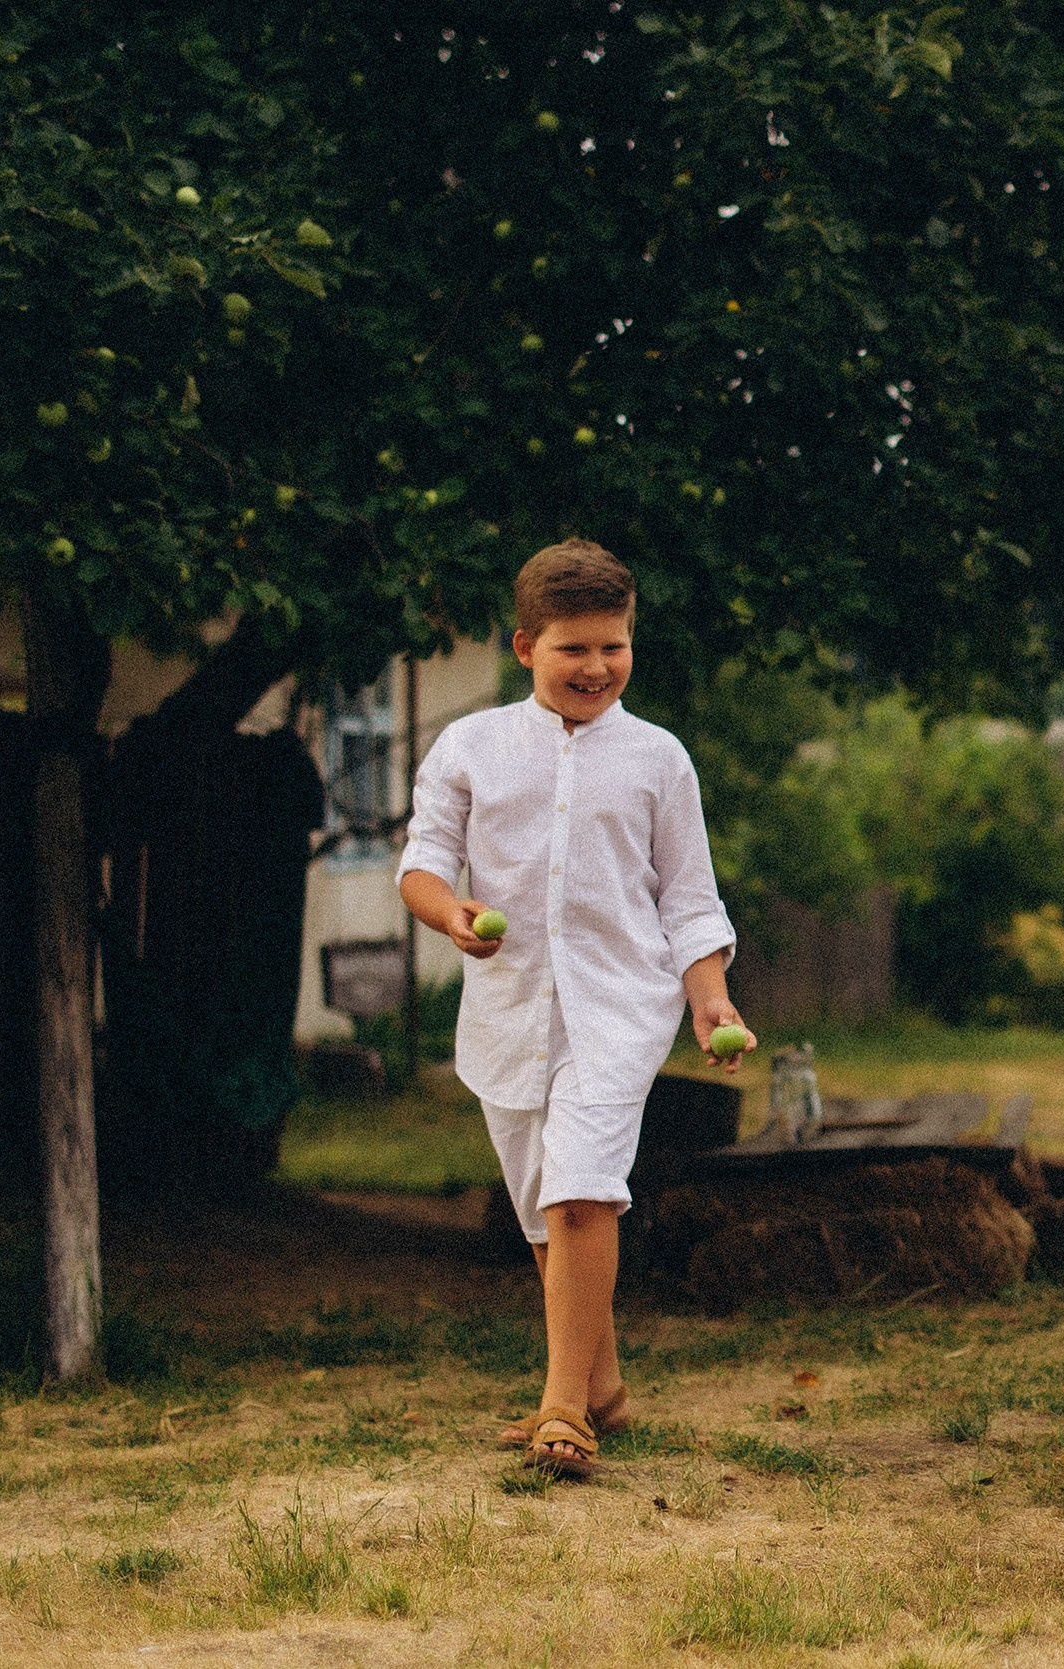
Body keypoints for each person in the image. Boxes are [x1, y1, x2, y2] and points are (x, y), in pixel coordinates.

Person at [399, 537, 754, 1478]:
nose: (597, 666)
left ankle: (563, 1410)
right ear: (525, 647)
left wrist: (709, 1000)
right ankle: (602, 1384)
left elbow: (688, 899)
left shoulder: (657, 759)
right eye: (573, 648)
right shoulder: (469, 747)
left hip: (619, 1009)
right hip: (507, 1013)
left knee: (585, 1189)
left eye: (614, 646)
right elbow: (423, 863)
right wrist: (453, 913)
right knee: (540, 1216)